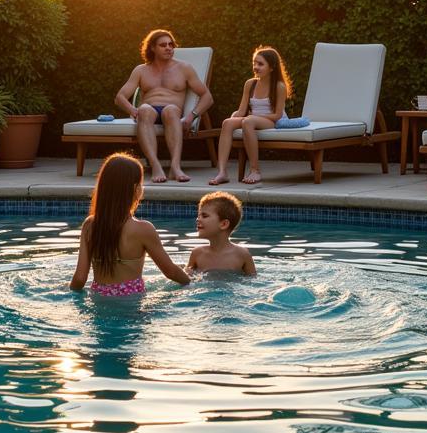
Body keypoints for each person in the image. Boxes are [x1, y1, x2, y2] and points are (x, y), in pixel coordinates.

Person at [70, 152, 191, 295]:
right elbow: (170, 271)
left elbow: (79, 279)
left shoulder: (90, 225)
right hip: (133, 305)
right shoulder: (143, 229)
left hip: (99, 300)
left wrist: (66, 287)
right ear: (135, 189)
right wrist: (190, 281)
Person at [114, 29, 213, 184]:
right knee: (145, 110)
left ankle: (175, 167)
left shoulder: (184, 68)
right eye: (163, 45)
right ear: (152, 48)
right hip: (149, 112)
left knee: (171, 110)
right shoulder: (141, 70)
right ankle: (156, 165)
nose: (169, 48)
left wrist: (191, 116)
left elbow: (207, 97)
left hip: (172, 111)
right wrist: (133, 111)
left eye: (171, 44)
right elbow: (120, 97)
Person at [209, 45, 292, 185]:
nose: (255, 66)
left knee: (248, 121)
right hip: (253, 119)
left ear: (271, 67)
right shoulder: (250, 84)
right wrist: (234, 116)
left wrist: (253, 118)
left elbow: (277, 115)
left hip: (273, 121)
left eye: (260, 64)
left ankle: (255, 170)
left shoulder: (279, 86)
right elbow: (242, 111)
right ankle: (222, 172)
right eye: (254, 63)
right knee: (227, 123)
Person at [187, 191, 256, 276]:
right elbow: (187, 280)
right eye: (198, 216)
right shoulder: (197, 254)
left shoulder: (242, 255)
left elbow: (252, 281)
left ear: (223, 224)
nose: (198, 219)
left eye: (204, 216)